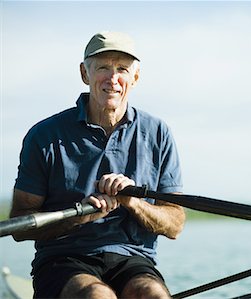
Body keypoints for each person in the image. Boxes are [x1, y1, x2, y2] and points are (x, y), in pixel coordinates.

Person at [9, 31, 185, 299]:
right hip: (63, 258)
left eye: (122, 69)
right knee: (96, 296)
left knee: (152, 294)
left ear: (135, 77)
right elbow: (20, 225)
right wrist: (82, 216)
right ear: (84, 73)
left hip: (133, 260)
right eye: (103, 67)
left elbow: (175, 224)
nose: (112, 79)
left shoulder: (158, 132)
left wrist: (132, 202)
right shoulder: (44, 135)